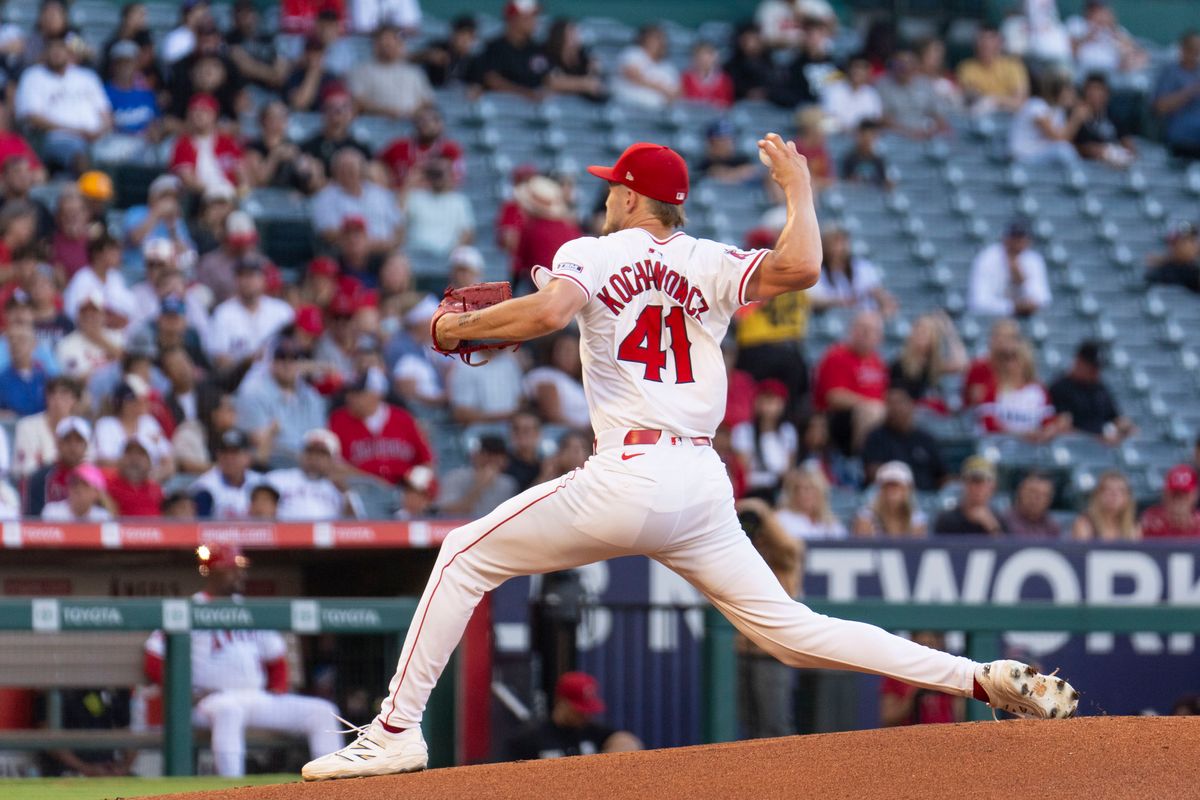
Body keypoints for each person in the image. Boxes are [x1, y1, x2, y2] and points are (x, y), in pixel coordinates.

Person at [302, 135, 1076, 780]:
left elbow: (547, 311)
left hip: (629, 472)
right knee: (789, 630)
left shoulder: (596, 250)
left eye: (614, 188)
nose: (606, 196)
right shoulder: (708, 259)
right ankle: (979, 679)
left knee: (463, 554)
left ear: (635, 199)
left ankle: (397, 730)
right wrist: (800, 190)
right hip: (702, 482)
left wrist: (450, 333)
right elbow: (801, 267)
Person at [143, 544, 343, 777]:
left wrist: (278, 688)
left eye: (242, 568)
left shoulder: (249, 609)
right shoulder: (191, 608)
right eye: (233, 568)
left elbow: (276, 659)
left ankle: (333, 785)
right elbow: (153, 659)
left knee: (323, 711)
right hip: (209, 702)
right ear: (213, 570)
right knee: (229, 711)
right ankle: (233, 789)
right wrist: (185, 693)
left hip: (256, 698)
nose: (241, 574)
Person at [734, 497, 803, 739]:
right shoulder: (739, 553)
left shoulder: (782, 559)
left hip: (772, 654)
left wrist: (761, 511)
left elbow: (789, 549)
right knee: (749, 729)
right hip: (742, 651)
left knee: (775, 727)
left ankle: (789, 776)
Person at [14, 35, 112, 174]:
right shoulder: (33, 75)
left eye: (60, 48)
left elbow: (105, 112)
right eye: (52, 48)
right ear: (45, 52)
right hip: (56, 138)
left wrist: (101, 131)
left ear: (69, 52)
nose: (56, 53)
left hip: (97, 137)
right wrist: (77, 132)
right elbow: (31, 116)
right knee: (78, 152)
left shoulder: (87, 76)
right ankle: (85, 192)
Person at [328, 368, 434, 486]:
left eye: (357, 393)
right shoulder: (338, 420)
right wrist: (373, 482)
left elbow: (426, 461)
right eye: (348, 393)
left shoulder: (403, 418)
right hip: (362, 492)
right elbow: (332, 465)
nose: (350, 398)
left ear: (376, 393)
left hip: (403, 491)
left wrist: (414, 488)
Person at [506, 671, 642, 759]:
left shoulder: (593, 732)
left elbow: (628, 742)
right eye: (579, 710)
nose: (585, 715)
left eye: (588, 710)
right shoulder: (528, 739)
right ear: (561, 702)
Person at [236, 339, 329, 466]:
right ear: (271, 362)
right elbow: (257, 442)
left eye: (294, 358)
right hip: (273, 466)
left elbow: (320, 437)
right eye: (281, 357)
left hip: (311, 466)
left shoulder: (311, 396)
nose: (287, 364)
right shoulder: (253, 392)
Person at [812, 310, 889, 454]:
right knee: (873, 411)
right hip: (837, 419)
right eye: (861, 328)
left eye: (871, 330)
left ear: (880, 337)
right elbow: (834, 397)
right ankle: (861, 460)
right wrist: (869, 404)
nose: (865, 333)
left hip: (873, 416)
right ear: (851, 330)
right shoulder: (837, 356)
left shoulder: (877, 361)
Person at [206, 257, 295, 375]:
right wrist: (249, 362)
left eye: (252, 275)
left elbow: (297, 351)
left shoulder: (282, 310)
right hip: (240, 382)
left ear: (263, 279)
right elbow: (220, 360)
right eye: (241, 276)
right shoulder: (223, 313)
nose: (246, 281)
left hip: (278, 378)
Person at [311, 148, 403, 254]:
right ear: (334, 172)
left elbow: (399, 228)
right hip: (347, 256)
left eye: (352, 168)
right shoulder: (324, 197)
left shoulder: (381, 194)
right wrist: (366, 245)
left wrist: (391, 244)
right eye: (343, 169)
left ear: (362, 170)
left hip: (386, 252)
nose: (347, 173)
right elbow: (328, 233)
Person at [975, 341, 1067, 441]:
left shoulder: (1039, 391)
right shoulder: (992, 388)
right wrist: (1022, 435)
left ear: (1025, 361)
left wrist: (1049, 431)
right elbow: (989, 426)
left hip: (1032, 450)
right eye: (1006, 359)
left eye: (1013, 358)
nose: (1009, 364)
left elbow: (1048, 422)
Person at [861, 387, 946, 491]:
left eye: (900, 403)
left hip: (927, 498)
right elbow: (873, 474)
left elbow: (942, 475)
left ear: (911, 405)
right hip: (891, 498)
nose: (896, 408)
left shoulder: (925, 438)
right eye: (891, 403)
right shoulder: (876, 437)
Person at [1048, 340, 1134, 442]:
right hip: (1078, 449)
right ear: (1079, 362)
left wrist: (1124, 428)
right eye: (1092, 368)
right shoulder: (1060, 388)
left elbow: (1115, 417)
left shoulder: (1100, 388)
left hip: (1103, 448)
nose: (1096, 372)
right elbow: (1061, 427)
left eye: (1098, 368)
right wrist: (1097, 438)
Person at [968, 218, 1051, 318]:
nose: (1018, 243)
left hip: (1026, 319)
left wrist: (1021, 279)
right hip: (992, 320)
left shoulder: (1033, 260)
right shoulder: (987, 259)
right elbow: (978, 302)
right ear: (1005, 239)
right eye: (1015, 238)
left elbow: (1042, 299)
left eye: (1022, 239)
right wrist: (1012, 307)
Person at [511, 177, 582, 292]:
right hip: (575, 288)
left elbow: (518, 268)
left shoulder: (531, 229)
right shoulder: (570, 227)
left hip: (545, 291)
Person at [348, 25, 433, 120]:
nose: (387, 47)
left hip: (411, 124)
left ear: (400, 44)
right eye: (383, 43)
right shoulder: (360, 71)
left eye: (391, 42)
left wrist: (411, 113)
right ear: (375, 44)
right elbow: (357, 102)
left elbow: (427, 102)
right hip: (374, 123)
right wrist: (386, 112)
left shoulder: (414, 72)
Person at [731, 379, 797, 501]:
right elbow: (743, 469)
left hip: (777, 489)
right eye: (766, 400)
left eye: (774, 401)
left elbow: (788, 470)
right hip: (752, 490)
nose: (769, 406)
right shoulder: (743, 431)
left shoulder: (787, 432)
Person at [880, 631, 962, 726]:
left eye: (931, 645)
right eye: (922, 645)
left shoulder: (951, 673)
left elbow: (960, 717)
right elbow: (888, 718)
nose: (926, 652)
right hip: (909, 736)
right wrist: (914, 693)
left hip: (945, 735)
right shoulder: (896, 674)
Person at [266, 429, 349, 521]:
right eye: (310, 451)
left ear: (333, 460)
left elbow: (354, 525)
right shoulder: (277, 479)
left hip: (326, 533)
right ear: (301, 455)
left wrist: (346, 493)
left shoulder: (340, 487)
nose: (314, 457)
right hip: (285, 532)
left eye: (322, 453)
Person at [809, 226, 896, 314]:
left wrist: (883, 304)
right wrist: (839, 302)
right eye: (835, 242)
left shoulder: (862, 268)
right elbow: (811, 300)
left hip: (863, 319)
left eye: (843, 242)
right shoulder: (816, 271)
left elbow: (878, 292)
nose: (840, 248)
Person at [889, 313, 967, 409]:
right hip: (908, 411)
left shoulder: (932, 364)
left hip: (927, 411)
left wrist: (949, 331)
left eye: (925, 332)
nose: (920, 336)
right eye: (917, 331)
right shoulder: (900, 362)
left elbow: (961, 364)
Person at [473, 0, 548, 99]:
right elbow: (491, 79)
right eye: (529, 17)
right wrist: (526, 94)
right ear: (513, 18)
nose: (534, 21)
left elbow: (548, 78)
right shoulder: (495, 47)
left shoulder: (536, 48)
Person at [1009, 71, 1086, 166]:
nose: (1072, 95)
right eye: (1068, 91)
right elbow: (1057, 138)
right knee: (1064, 150)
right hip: (1023, 156)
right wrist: (1076, 119)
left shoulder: (1058, 111)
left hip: (1038, 155)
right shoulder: (1036, 105)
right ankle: (1078, 177)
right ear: (1057, 91)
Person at [403, 159, 475, 260]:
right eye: (433, 173)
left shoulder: (459, 201)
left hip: (447, 257)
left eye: (440, 173)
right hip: (415, 256)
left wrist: (454, 253)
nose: (437, 177)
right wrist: (410, 182)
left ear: (449, 175)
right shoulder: (415, 197)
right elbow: (397, 217)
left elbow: (467, 233)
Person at [378, 106, 464, 189]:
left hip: (435, 198)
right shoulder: (398, 146)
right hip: (399, 196)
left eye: (431, 120)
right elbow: (376, 167)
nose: (425, 124)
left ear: (440, 124)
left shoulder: (450, 149)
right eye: (421, 120)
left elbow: (456, 181)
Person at [437, 435, 520, 518]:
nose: (491, 459)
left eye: (497, 455)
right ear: (475, 455)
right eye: (486, 454)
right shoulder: (455, 477)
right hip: (460, 527)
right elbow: (445, 513)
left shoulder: (509, 484)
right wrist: (479, 486)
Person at [14, 376, 80, 478]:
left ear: (74, 400)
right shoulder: (27, 426)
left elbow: (88, 466)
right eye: (53, 394)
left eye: (64, 395)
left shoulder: (81, 428)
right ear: (46, 398)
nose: (57, 401)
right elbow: (26, 470)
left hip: (74, 485)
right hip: (38, 486)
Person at [876, 50, 950, 139]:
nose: (905, 67)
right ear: (894, 65)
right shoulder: (883, 85)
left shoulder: (925, 84)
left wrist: (934, 130)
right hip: (895, 135)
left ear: (915, 66)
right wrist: (909, 132)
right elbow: (882, 118)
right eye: (901, 64)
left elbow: (938, 114)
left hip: (924, 134)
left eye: (909, 63)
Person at [190, 429, 263, 519]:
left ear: (248, 457)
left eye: (234, 452)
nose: (229, 458)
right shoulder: (205, 487)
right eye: (224, 452)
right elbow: (199, 526)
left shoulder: (260, 483)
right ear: (217, 455)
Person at [24, 416, 90, 515]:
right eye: (67, 440)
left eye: (78, 441)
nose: (73, 446)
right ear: (57, 444)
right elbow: (33, 521)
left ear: (86, 445)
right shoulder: (41, 478)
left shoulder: (95, 479)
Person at [524, 332, 589, 430]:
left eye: (569, 351)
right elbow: (553, 416)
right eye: (560, 350)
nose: (563, 355)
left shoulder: (578, 382)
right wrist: (585, 430)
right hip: (560, 436)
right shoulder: (545, 375)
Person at [956, 27, 1029, 114]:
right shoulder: (967, 67)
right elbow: (967, 97)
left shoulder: (1013, 66)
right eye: (982, 40)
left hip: (1010, 117)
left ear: (999, 43)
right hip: (977, 116)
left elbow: (1019, 102)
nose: (985, 44)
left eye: (990, 40)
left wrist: (994, 100)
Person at [1152, 31, 1200, 159]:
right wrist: (1191, 91)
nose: (1196, 54)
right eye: (1193, 49)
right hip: (1181, 132)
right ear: (1182, 49)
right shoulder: (1170, 72)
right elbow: (1160, 107)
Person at [1066, 0, 1146, 76]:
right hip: (1084, 71)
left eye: (1100, 9)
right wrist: (1092, 31)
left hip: (1114, 74)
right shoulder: (1076, 23)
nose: (1097, 12)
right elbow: (1070, 50)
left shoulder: (1116, 30)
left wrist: (1113, 29)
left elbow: (1134, 51)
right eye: (1093, 9)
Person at [1073, 73, 1135, 167]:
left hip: (1114, 166)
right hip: (1086, 166)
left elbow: (1128, 144)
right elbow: (1076, 146)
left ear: (1107, 94)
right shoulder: (1076, 116)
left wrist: (1121, 153)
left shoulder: (1113, 117)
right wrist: (1101, 151)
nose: (1095, 95)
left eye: (1099, 90)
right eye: (1091, 91)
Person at [934, 456, 1007, 535]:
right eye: (973, 481)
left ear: (993, 486)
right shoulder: (947, 520)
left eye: (983, 481)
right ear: (963, 484)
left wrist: (992, 526)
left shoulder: (1001, 520)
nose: (978, 488)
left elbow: (1009, 546)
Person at [852, 461, 928, 537]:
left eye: (897, 486)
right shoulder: (866, 517)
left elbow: (918, 546)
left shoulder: (916, 518)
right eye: (887, 486)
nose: (891, 491)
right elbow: (862, 546)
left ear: (907, 489)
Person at [612, 25, 680, 109]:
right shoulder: (633, 53)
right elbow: (632, 75)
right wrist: (661, 88)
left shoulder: (668, 66)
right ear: (644, 39)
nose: (660, 42)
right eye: (655, 38)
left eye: (661, 39)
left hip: (660, 111)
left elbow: (676, 92)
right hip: (629, 106)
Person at [963, 319, 1023, 409]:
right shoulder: (979, 367)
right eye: (1001, 337)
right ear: (992, 340)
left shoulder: (1022, 367)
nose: (1006, 342)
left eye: (1011, 337)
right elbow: (977, 400)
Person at [775, 466, 847, 540]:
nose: (802, 494)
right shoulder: (782, 519)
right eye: (798, 489)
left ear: (820, 492)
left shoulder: (831, 524)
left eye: (809, 489)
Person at [543, 18, 605, 101]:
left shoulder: (583, 54)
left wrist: (594, 71)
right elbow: (552, 82)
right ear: (559, 35)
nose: (577, 35)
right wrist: (583, 83)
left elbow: (595, 84)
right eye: (571, 32)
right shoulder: (547, 53)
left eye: (576, 31)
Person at [822, 54, 882, 134]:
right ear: (848, 69)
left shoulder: (871, 94)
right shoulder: (833, 89)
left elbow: (874, 120)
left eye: (862, 68)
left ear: (868, 73)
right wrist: (847, 130)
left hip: (861, 138)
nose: (858, 72)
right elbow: (827, 119)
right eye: (856, 67)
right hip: (836, 136)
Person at [1072, 471, 1140, 541]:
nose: (1114, 495)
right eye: (1108, 490)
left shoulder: (1133, 526)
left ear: (1128, 497)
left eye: (1121, 491)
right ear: (1098, 495)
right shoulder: (1085, 524)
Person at [105, 438, 164, 517]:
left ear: (150, 462)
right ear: (120, 460)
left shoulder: (157, 490)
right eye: (129, 453)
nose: (134, 459)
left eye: (140, 454)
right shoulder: (107, 486)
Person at [415, 14, 477, 88]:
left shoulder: (473, 60)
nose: (465, 41)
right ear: (453, 33)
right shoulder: (437, 47)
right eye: (462, 35)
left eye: (470, 37)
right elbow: (410, 59)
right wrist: (427, 56)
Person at [1139, 464, 1200, 538]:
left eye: (1184, 496)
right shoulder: (1151, 522)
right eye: (1174, 495)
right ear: (1165, 495)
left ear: (1194, 495)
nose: (1178, 501)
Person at [42, 463, 111, 521]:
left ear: (97, 492)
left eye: (85, 485)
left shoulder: (103, 518)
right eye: (74, 484)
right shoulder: (52, 512)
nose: (78, 489)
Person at [698, 119, 758, 185]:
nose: (728, 144)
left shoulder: (742, 159)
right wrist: (740, 173)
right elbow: (714, 173)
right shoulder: (703, 163)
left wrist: (731, 174)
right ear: (711, 142)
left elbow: (756, 171)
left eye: (730, 139)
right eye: (722, 140)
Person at [1002, 471, 1061, 537]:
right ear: (1020, 492)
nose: (1037, 498)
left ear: (1050, 500)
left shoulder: (1052, 528)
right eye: (1032, 492)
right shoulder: (1003, 522)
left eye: (1044, 495)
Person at [1147, 220, 1200, 293]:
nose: (1192, 246)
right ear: (1173, 244)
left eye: (1193, 240)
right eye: (1186, 241)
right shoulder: (1163, 272)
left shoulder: (1195, 269)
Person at [838, 119, 892, 188]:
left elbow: (885, 182)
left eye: (870, 137)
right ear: (858, 136)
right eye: (864, 136)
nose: (867, 141)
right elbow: (843, 182)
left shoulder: (879, 161)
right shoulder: (848, 159)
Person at [682, 41, 733, 108]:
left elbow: (727, 104)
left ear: (715, 57)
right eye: (700, 56)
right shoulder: (686, 79)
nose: (704, 60)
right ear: (694, 58)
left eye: (708, 55)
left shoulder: (725, 80)